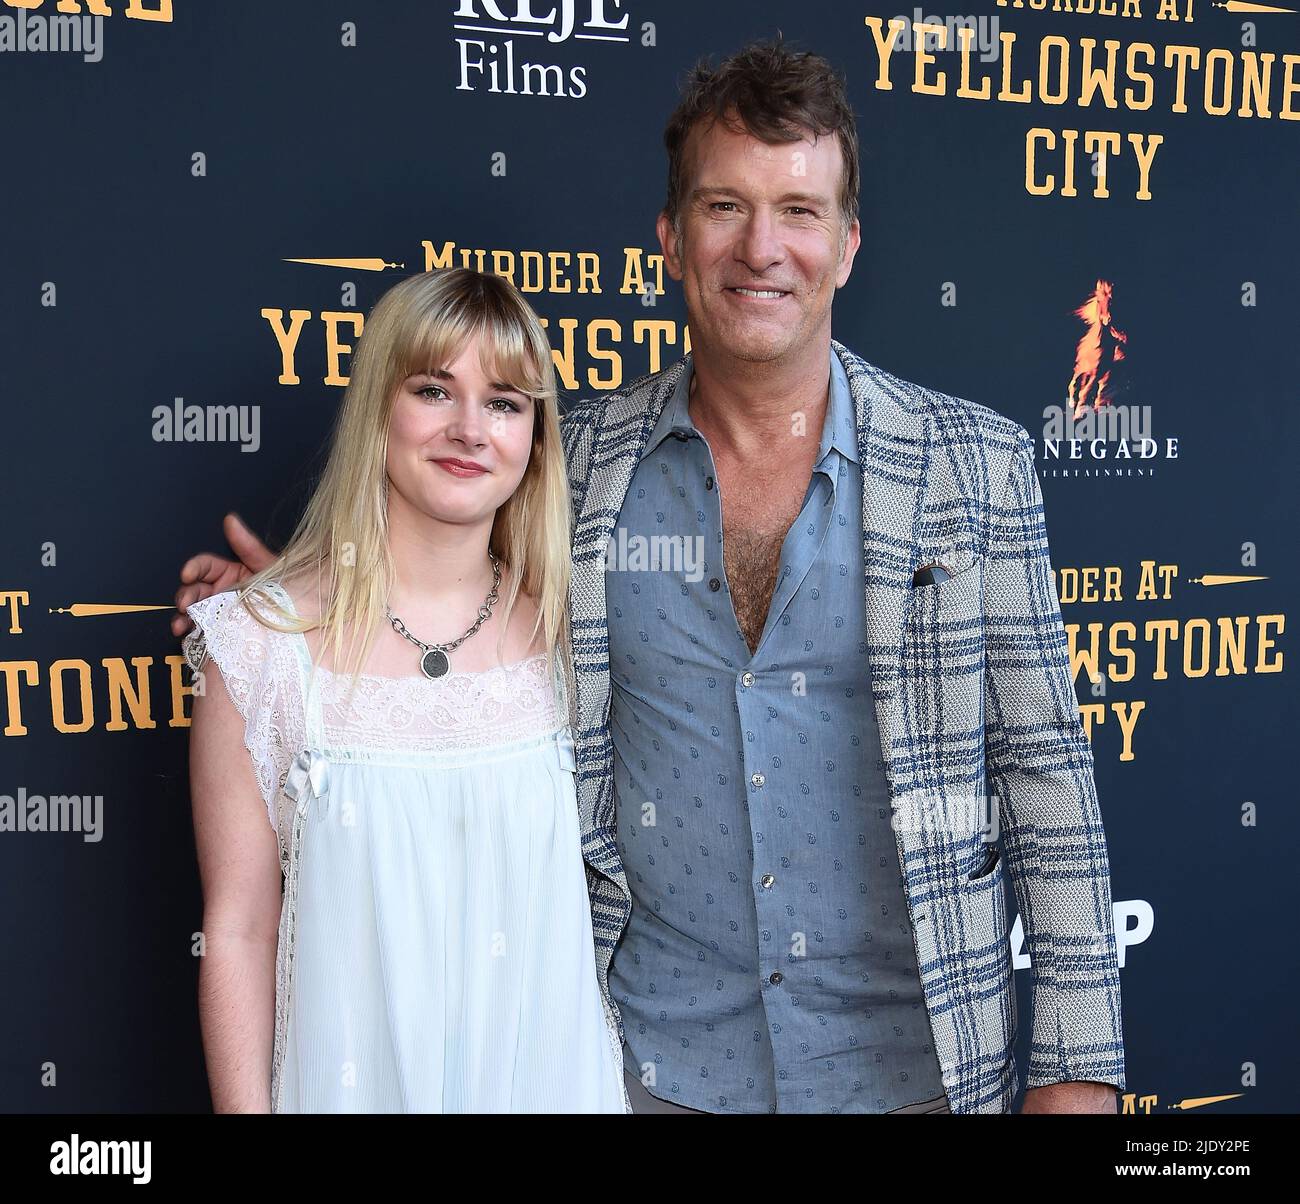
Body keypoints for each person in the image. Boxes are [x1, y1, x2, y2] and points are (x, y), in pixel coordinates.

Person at [176, 39, 1125, 1115]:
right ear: (671, 240)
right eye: (725, 206)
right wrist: (280, 612)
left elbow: (1053, 797)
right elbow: (421, 570)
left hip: (916, 1080)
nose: (761, 247)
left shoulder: (973, 468)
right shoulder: (575, 467)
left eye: (799, 210)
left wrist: (1074, 1084)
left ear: (849, 244)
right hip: (648, 1079)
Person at [184, 267, 628, 1113]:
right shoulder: (259, 650)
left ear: (536, 438)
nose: (469, 429)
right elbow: (237, 931)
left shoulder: (583, 636)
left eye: (504, 402)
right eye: (434, 389)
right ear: (378, 410)